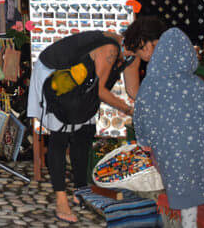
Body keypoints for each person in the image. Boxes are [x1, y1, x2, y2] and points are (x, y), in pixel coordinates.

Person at [27, 30, 134, 224]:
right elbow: (101, 90)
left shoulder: (127, 53)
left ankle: (81, 190)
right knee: (60, 136)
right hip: (57, 77)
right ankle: (61, 200)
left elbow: (132, 88)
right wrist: (127, 109)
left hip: (81, 82)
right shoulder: (110, 49)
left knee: (84, 132)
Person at [134, 28, 204, 226]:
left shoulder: (149, 85)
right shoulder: (196, 84)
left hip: (171, 151)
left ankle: (189, 222)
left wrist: (144, 140)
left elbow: (141, 114)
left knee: (184, 189)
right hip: (201, 147)